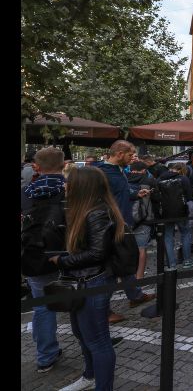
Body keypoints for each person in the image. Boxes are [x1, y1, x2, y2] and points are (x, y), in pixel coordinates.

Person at [50, 166, 124, 391]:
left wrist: (62, 261)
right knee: (82, 333)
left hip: (93, 281)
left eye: (69, 182)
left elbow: (97, 253)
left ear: (81, 186)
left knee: (98, 340)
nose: (65, 185)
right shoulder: (86, 210)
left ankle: (102, 385)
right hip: (83, 280)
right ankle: (90, 376)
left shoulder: (97, 212)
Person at [98, 141, 155, 323]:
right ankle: (103, 311)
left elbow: (120, 193)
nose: (133, 159)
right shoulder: (102, 173)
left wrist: (135, 194)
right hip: (111, 227)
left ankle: (135, 295)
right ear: (120, 153)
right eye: (130, 155)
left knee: (125, 261)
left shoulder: (119, 171)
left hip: (122, 224)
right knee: (111, 270)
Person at [21, 147, 66, 374]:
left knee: (42, 306)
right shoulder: (72, 188)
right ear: (64, 165)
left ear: (36, 167)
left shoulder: (25, 192)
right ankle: (92, 350)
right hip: (70, 254)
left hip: (34, 254)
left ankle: (46, 356)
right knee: (82, 302)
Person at [126, 161, 161, 280]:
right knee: (141, 248)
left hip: (125, 219)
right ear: (144, 170)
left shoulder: (124, 179)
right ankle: (139, 278)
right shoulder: (149, 180)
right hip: (144, 218)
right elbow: (157, 199)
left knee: (126, 249)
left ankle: (125, 277)